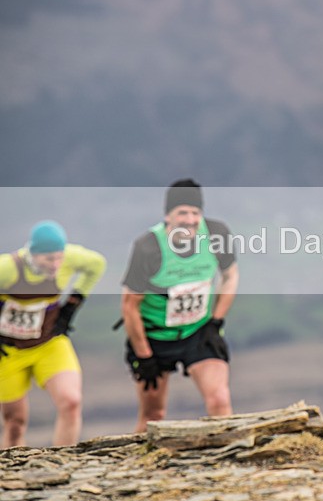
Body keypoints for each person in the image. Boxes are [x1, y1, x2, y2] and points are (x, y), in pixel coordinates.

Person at [120, 179, 239, 432]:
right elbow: (129, 306)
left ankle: (230, 462)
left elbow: (231, 275)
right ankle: (141, 468)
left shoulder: (217, 234)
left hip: (198, 331)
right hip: (153, 336)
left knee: (219, 399)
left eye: (195, 212)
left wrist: (215, 321)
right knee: (153, 413)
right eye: (182, 212)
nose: (189, 219)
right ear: (167, 216)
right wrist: (144, 356)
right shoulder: (148, 247)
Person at [0, 220, 106, 448]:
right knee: (15, 422)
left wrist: (73, 303)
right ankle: (8, 476)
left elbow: (97, 264)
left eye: (59, 257)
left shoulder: (71, 258)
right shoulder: (8, 268)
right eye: (49, 259)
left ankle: (62, 464)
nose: (56, 264)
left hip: (49, 344)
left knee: (71, 402)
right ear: (33, 254)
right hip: (9, 352)